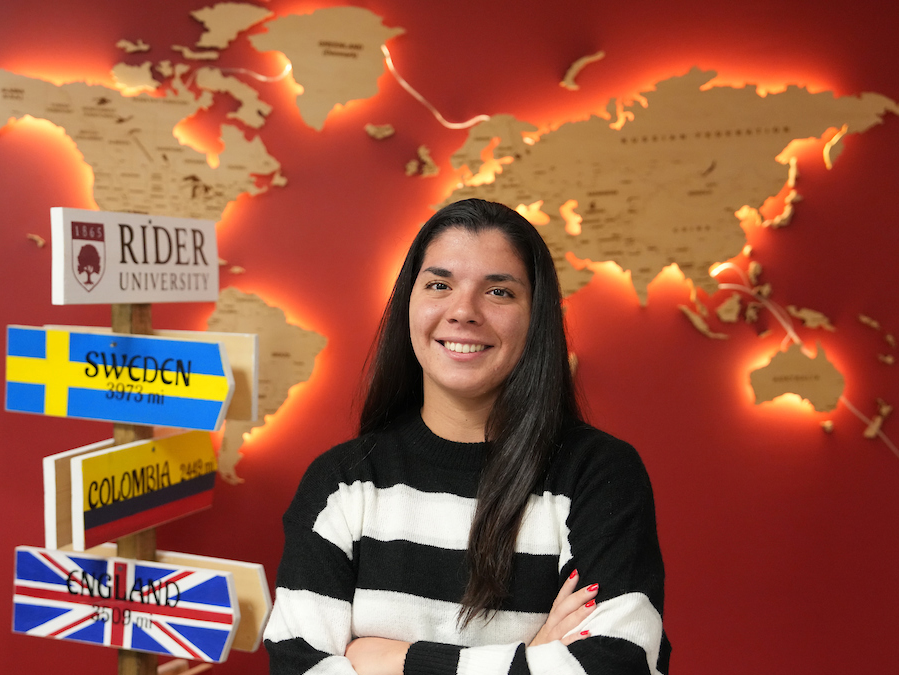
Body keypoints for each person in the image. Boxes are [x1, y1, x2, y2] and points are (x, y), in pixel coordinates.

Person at [263, 199, 669, 675]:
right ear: (407, 304)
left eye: (499, 292)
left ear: (536, 317)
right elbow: (295, 667)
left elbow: (619, 665)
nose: (463, 311)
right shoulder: (342, 484)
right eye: (439, 284)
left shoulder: (598, 477)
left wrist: (393, 661)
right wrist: (533, 656)